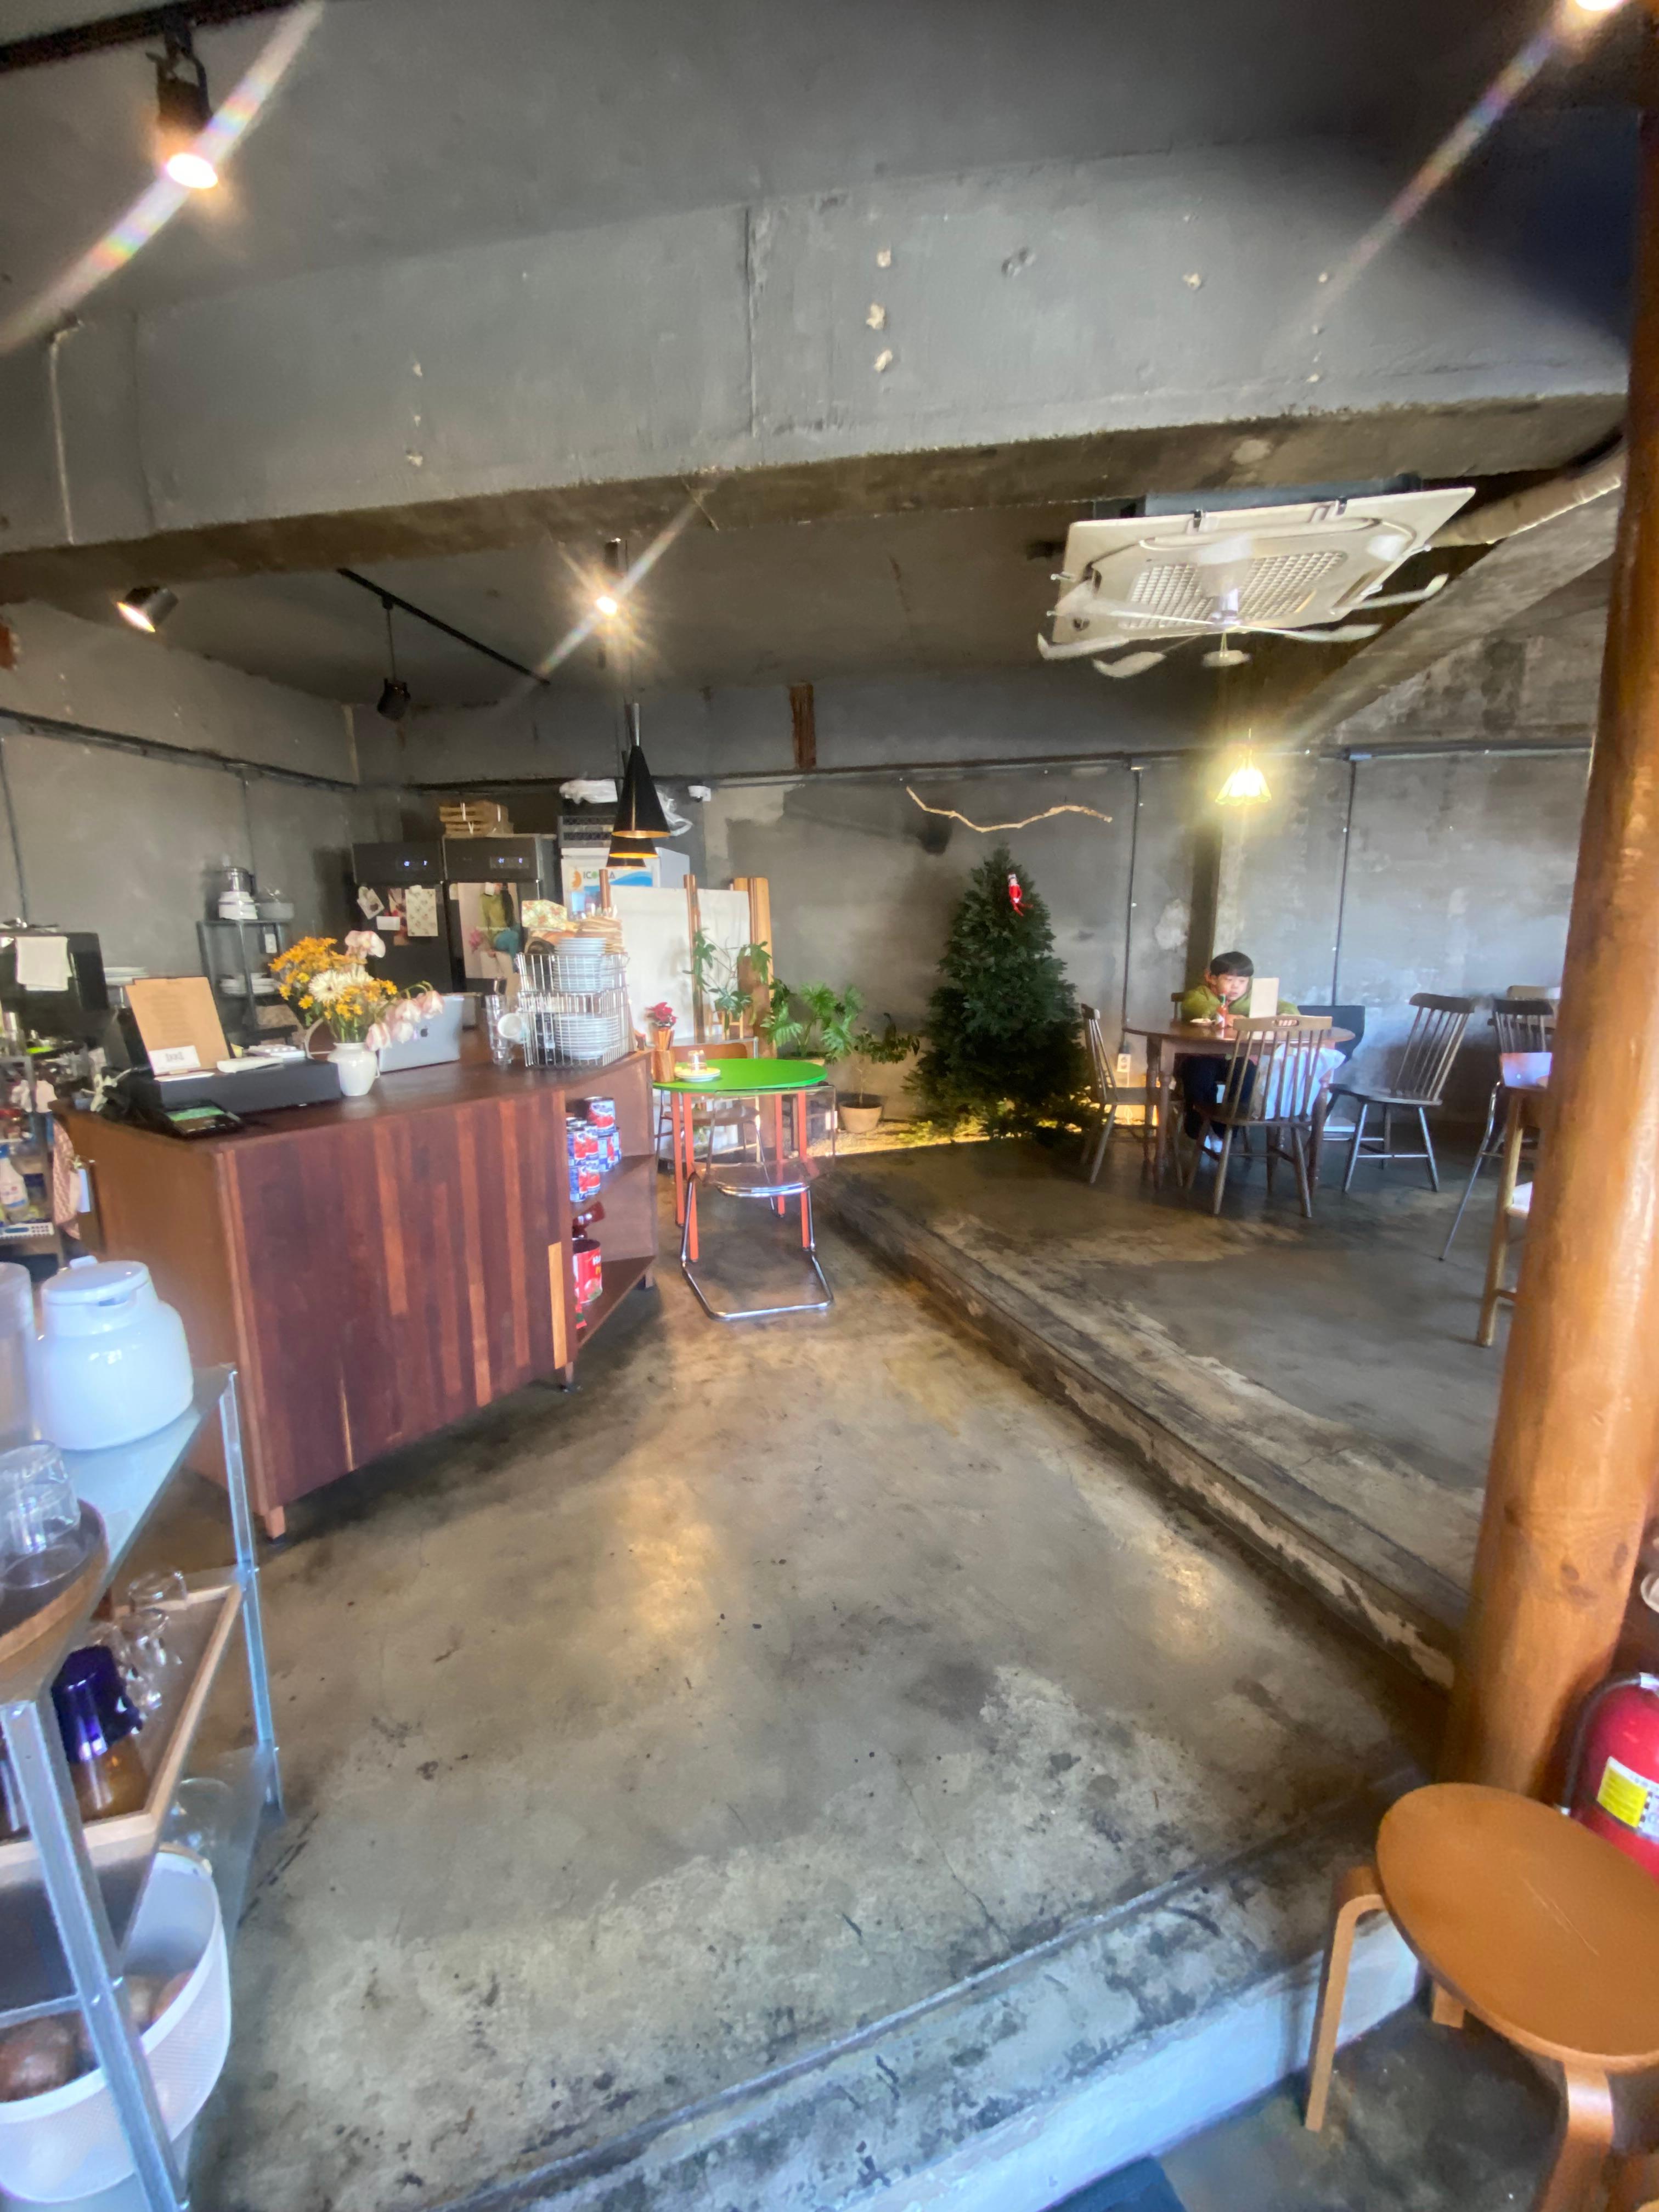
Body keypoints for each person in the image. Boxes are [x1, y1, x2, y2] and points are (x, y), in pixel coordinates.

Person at [1178, 951, 1299, 1137]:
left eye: (1242, 981)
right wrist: (1221, 1014)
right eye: (1229, 980)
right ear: (1211, 978)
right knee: (1198, 1075)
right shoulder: (1201, 994)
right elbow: (1193, 1005)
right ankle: (1199, 1124)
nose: (1236, 987)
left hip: (1240, 1057)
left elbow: (1287, 1007)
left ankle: (1228, 1129)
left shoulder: (1254, 998)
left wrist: (1286, 1016)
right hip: (1204, 1056)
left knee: (1247, 1075)